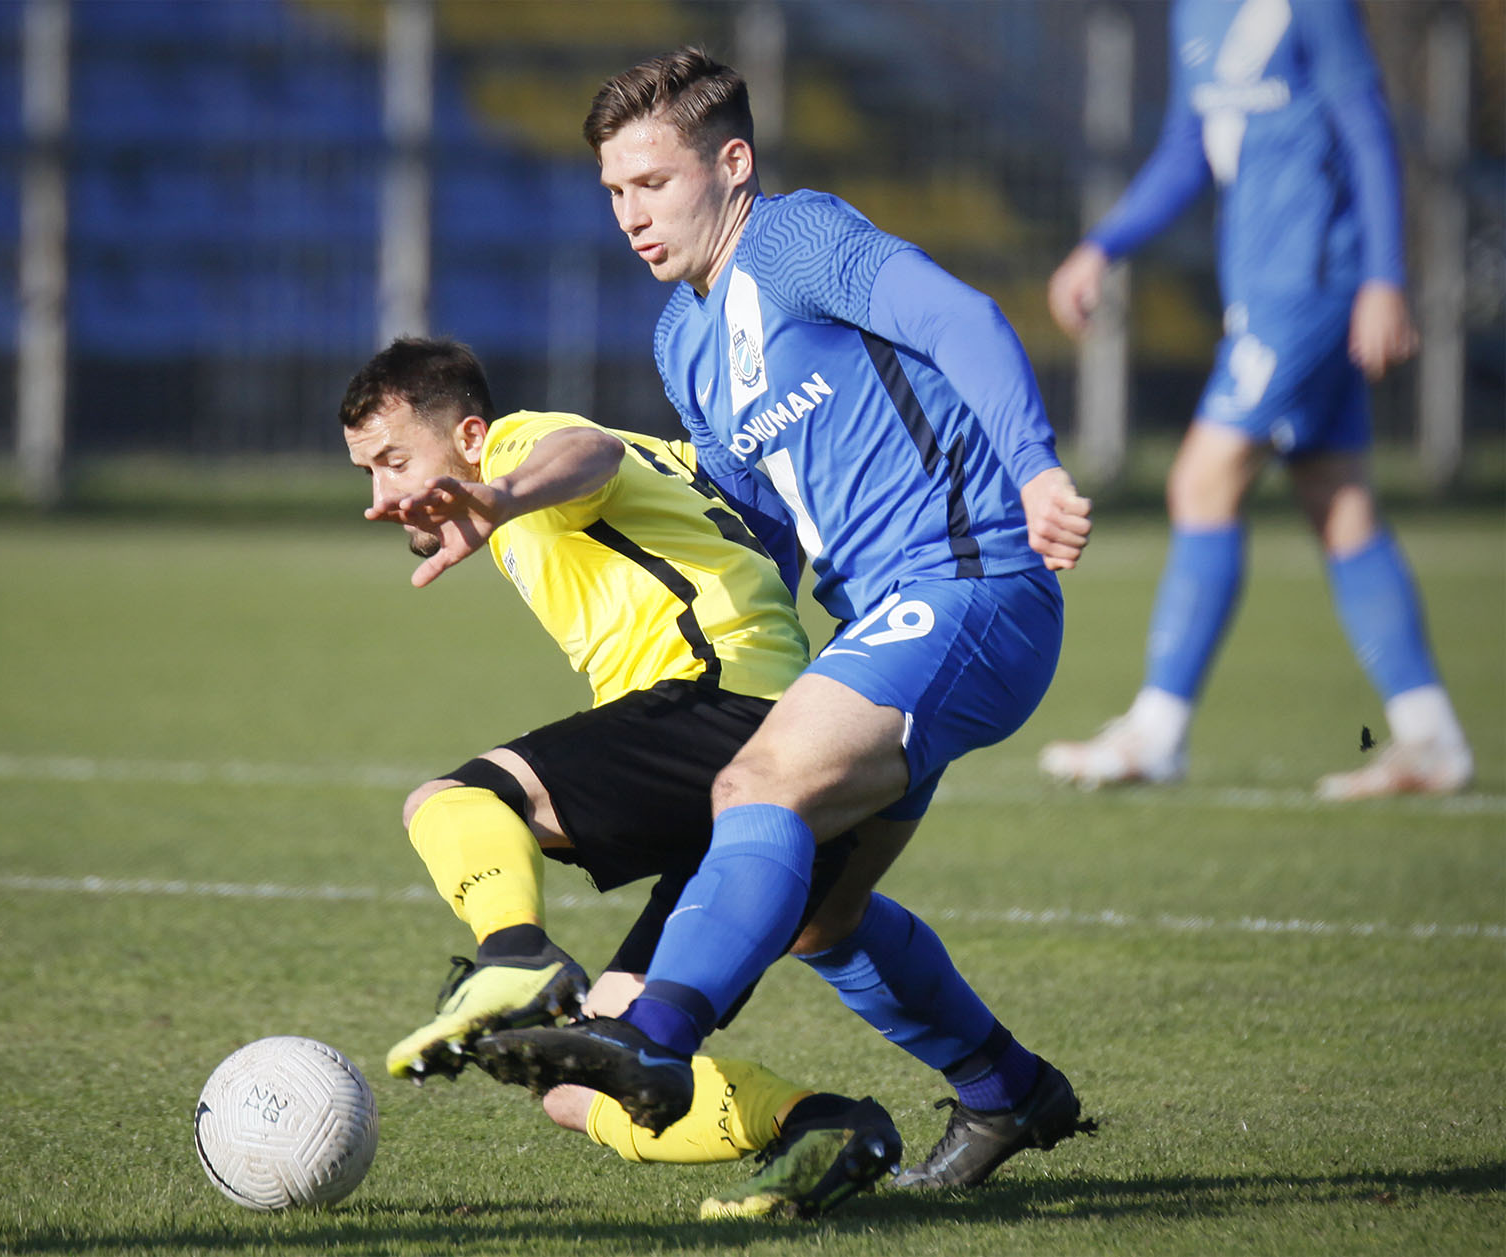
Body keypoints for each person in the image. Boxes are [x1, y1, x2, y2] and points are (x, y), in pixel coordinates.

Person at [475, 48, 1098, 1192]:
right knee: (820, 912)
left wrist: (1035, 469)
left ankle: (653, 1036)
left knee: (759, 795)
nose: (631, 215)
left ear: (734, 163)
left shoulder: (796, 239)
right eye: (614, 192)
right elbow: (759, 536)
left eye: (653, 184)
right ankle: (1007, 1092)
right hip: (891, 619)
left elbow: (962, 318)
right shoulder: (682, 342)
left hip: (971, 578)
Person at [340, 336, 902, 1219]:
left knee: (450, 801)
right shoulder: (664, 463)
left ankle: (514, 953)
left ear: (472, 434)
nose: (384, 494)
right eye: (367, 472)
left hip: (727, 710)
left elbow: (586, 452)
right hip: (785, 774)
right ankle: (820, 1126)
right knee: (586, 1081)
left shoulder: (526, 445)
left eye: (394, 461)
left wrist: (503, 492)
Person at [1039, 0, 1472, 798]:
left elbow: (1368, 127)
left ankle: (1158, 731)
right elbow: (1185, 149)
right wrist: (1104, 245)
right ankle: (1430, 734)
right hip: (1264, 286)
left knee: (1200, 480)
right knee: (1337, 502)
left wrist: (1385, 276)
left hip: (1309, 285)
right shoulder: (1194, 13)